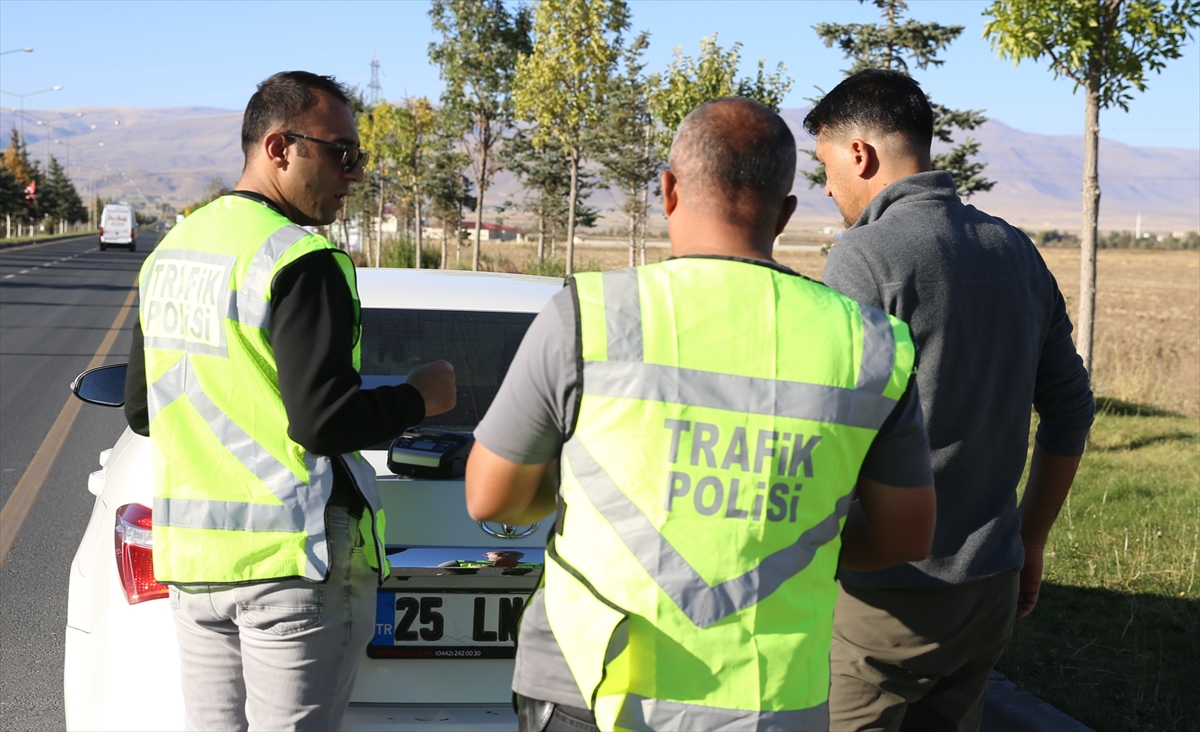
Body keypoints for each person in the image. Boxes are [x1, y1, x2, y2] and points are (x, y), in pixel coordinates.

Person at [465, 97, 938, 732]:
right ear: (787, 212)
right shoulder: (871, 344)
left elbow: (492, 497)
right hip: (773, 698)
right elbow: (906, 535)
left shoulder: (593, 314)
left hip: (592, 687)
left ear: (667, 191)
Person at [123, 71, 456, 731]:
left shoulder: (173, 252)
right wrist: (418, 399)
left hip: (196, 567)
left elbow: (141, 409)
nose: (355, 174)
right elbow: (325, 422)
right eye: (343, 153)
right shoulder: (301, 259)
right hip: (291, 567)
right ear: (280, 148)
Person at [806, 68, 1096, 731]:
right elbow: (1071, 410)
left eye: (825, 166)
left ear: (861, 154)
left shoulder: (865, 256)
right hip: (988, 590)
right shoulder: (1015, 249)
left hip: (883, 602)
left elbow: (826, 430)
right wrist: (1031, 538)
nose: (825, 187)